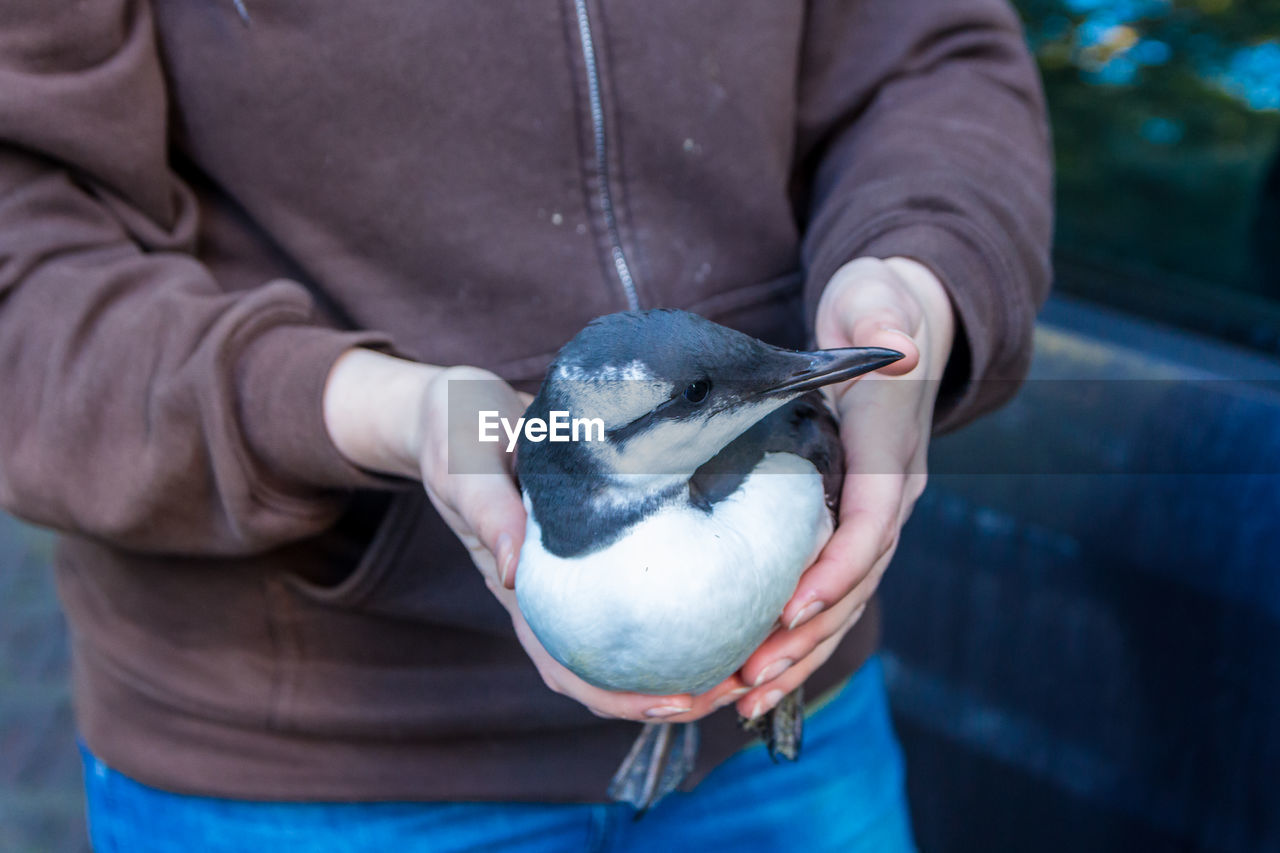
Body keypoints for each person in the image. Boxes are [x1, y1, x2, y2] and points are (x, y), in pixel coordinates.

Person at [0, 0, 1051, 849]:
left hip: (788, 718)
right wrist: (377, 411)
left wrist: (918, 270)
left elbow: (931, 57)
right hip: (308, 774)